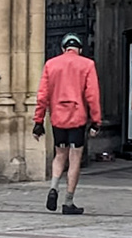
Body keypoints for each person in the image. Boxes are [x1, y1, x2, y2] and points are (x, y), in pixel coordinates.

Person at [33, 33, 102, 215]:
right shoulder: (87, 64)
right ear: (79, 49)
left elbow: (42, 95)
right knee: (75, 159)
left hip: (58, 117)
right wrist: (96, 121)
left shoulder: (51, 64)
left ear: (64, 48)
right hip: (77, 117)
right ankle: (68, 201)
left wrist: (38, 121)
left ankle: (53, 187)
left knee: (59, 153)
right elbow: (92, 96)